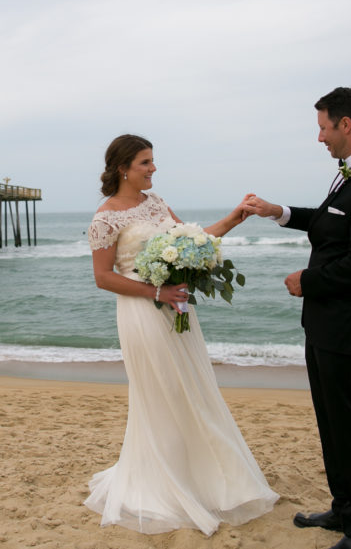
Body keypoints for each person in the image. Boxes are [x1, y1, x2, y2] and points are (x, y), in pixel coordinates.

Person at [85, 134, 278, 536]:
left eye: (153, 161)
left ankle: (202, 478)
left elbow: (189, 242)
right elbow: (103, 278)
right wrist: (157, 291)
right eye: (145, 162)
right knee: (163, 394)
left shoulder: (155, 203)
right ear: (124, 168)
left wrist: (233, 219)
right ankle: (166, 484)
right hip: (142, 311)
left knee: (192, 389)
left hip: (176, 309)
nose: (153, 168)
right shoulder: (105, 218)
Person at [243, 87, 351, 549]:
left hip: (349, 328)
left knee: (350, 428)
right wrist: (279, 212)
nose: (320, 137)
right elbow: (329, 222)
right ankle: (344, 508)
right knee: (331, 424)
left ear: (345, 125)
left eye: (323, 127)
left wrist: (307, 282)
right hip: (326, 325)